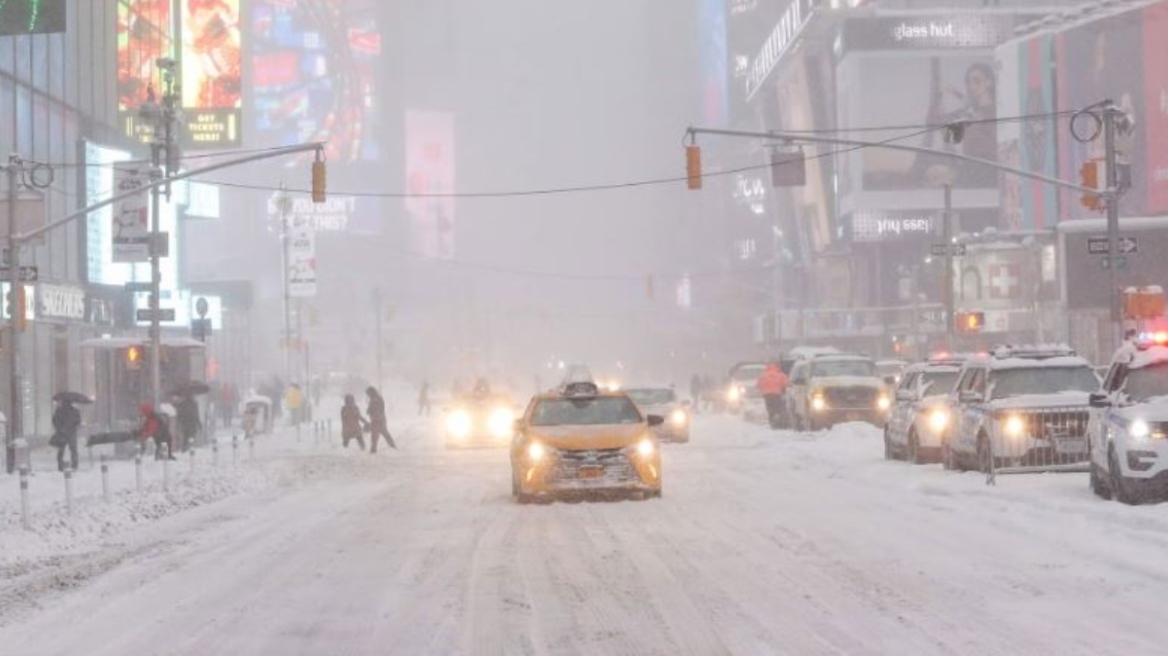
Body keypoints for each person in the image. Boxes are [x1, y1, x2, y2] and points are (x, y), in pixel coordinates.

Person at [51, 398, 82, 472]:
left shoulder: (59, 410)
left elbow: (54, 421)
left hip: (62, 433)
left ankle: (60, 465)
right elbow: (78, 422)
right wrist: (73, 426)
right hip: (71, 433)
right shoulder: (75, 411)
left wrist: (59, 428)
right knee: (73, 450)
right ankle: (74, 465)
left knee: (61, 450)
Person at [757, 363, 789, 430]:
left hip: (767, 395)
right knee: (778, 408)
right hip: (777, 394)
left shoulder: (763, 375)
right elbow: (786, 384)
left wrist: (763, 390)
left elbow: (758, 385)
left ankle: (772, 421)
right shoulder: (781, 375)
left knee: (770, 408)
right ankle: (778, 420)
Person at [365, 386, 397, 453]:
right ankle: (393, 446)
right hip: (380, 419)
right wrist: (369, 409)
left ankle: (373, 450)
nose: (368, 395)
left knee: (376, 436)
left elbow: (376, 409)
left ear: (371, 392)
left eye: (368, 393)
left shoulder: (375, 399)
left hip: (377, 420)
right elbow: (377, 408)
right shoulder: (376, 398)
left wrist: (370, 410)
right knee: (384, 434)